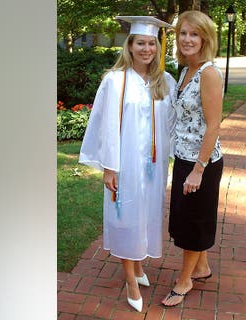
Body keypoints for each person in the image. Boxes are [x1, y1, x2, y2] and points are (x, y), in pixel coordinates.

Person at [79, 16, 176, 312]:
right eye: (140, 43)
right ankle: (130, 280)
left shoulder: (166, 81)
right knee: (125, 217)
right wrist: (110, 166)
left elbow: (172, 124)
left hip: (154, 166)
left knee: (146, 215)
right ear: (130, 46)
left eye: (151, 43)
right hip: (125, 163)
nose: (146, 48)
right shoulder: (115, 80)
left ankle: (137, 267)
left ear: (157, 47)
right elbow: (105, 125)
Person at [161, 10, 224, 307]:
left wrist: (198, 169)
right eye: (183, 33)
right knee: (190, 217)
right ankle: (201, 267)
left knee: (191, 222)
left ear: (205, 39)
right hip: (185, 158)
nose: (187, 39)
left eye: (194, 34)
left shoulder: (208, 74)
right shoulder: (185, 70)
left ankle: (183, 281)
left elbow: (213, 125)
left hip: (203, 163)